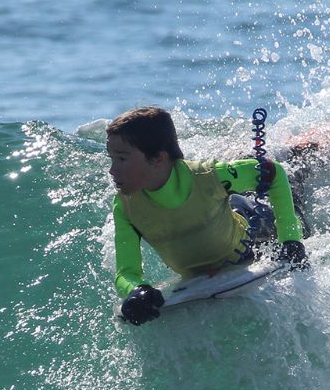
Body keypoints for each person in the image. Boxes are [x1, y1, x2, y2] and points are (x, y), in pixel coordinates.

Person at [107, 106, 310, 326]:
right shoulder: (125, 207)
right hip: (221, 209)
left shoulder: (208, 176)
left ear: (157, 159)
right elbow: (125, 272)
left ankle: (317, 142)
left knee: (300, 168)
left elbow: (274, 173)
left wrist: (291, 240)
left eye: (122, 159)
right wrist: (136, 290)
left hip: (257, 225)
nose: (112, 170)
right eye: (112, 158)